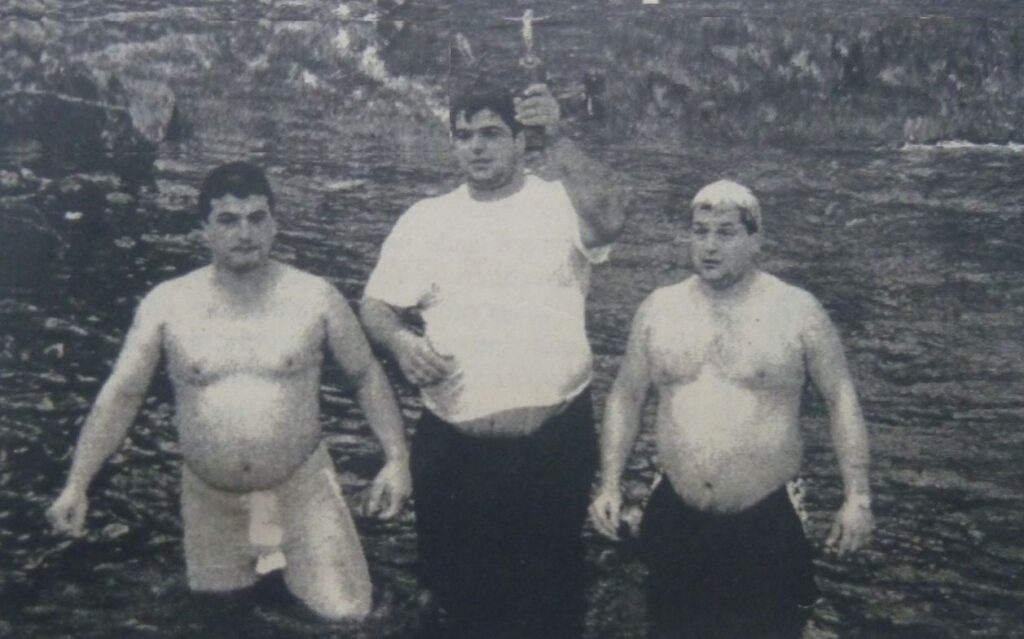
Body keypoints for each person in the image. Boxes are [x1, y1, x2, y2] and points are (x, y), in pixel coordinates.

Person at [46, 161, 411, 622]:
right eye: (228, 220)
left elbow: (365, 375)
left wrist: (396, 459)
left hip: (300, 491)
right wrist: (77, 484)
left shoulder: (315, 297)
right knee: (221, 621)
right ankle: (262, 567)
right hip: (212, 501)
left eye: (257, 218)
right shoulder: (168, 304)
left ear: (274, 224)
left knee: (347, 618)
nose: (245, 232)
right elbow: (122, 395)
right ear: (204, 229)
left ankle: (287, 565)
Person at [360, 81, 627, 639]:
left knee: (550, 609)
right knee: (455, 609)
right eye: (464, 136)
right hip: (454, 451)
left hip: (553, 445)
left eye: (491, 134)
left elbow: (611, 216)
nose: (476, 147)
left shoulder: (560, 201)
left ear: (521, 140)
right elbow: (376, 306)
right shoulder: (427, 219)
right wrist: (403, 344)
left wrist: (558, 137)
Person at [589, 180, 873, 639]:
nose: (709, 246)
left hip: (766, 516)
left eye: (725, 233)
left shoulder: (797, 311)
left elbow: (841, 399)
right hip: (677, 512)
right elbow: (626, 396)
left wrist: (857, 497)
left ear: (755, 240)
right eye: (700, 231)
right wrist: (610, 484)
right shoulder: (659, 308)